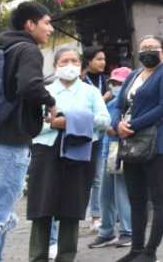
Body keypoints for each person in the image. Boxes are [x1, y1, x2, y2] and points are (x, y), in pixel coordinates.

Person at [0, 2, 59, 262]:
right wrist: (51, 102)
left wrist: (34, 109)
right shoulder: (28, 50)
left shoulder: (6, 48)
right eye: (47, 22)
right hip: (11, 143)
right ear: (30, 25)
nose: (51, 29)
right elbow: (30, 86)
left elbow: (16, 91)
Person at [27, 45, 109, 262]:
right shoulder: (45, 91)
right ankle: (37, 257)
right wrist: (55, 124)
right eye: (64, 61)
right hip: (46, 149)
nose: (69, 65)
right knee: (41, 206)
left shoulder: (90, 92)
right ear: (55, 66)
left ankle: (66, 257)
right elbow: (31, 124)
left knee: (72, 206)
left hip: (80, 151)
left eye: (74, 61)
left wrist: (72, 121)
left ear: (81, 66)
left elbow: (105, 120)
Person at [111, 35, 163, 262]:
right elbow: (118, 105)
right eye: (143, 48)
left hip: (160, 144)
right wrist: (116, 124)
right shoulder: (133, 75)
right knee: (137, 200)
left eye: (153, 48)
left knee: (160, 200)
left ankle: (150, 252)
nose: (147, 51)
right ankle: (136, 250)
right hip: (132, 145)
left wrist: (131, 125)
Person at [87, 67, 133, 250]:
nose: (115, 86)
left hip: (121, 150)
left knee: (121, 193)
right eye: (113, 83)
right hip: (109, 151)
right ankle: (106, 231)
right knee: (105, 194)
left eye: (119, 84)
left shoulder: (130, 103)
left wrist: (111, 126)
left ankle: (127, 231)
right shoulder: (111, 102)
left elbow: (116, 127)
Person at [81, 45, 109, 234]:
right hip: (83, 134)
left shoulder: (107, 80)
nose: (102, 62)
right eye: (98, 59)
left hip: (102, 134)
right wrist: (104, 98)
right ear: (89, 61)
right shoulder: (81, 81)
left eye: (104, 59)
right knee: (82, 177)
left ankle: (96, 218)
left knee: (99, 177)